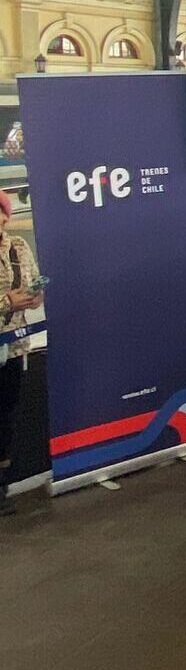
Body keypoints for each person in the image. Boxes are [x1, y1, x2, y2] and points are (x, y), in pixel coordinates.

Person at [0, 190, 42, 517]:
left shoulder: (19, 247)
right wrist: (6, 302)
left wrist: (35, 295)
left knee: (6, 415)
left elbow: (35, 280)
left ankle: (2, 485)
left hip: (14, 347)